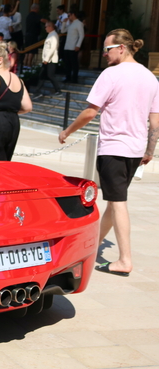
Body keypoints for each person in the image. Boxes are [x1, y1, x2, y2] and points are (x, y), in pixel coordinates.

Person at [58, 29, 159, 276]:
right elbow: (155, 122)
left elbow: (91, 112)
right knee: (115, 202)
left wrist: (67, 131)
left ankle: (125, 259)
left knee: (117, 202)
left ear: (121, 48)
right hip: (134, 149)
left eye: (108, 49)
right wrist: (149, 149)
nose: (104, 54)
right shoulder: (150, 77)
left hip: (114, 147)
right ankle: (94, 242)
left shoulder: (111, 74)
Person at [32, 21, 62, 98]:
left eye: (46, 27)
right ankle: (37, 91)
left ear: (50, 27)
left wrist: (47, 59)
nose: (45, 28)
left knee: (50, 75)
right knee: (42, 75)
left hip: (50, 60)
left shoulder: (54, 35)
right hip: (46, 60)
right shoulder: (50, 35)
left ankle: (58, 90)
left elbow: (52, 48)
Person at [63, 9, 84, 83]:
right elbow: (63, 31)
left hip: (73, 46)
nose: (68, 17)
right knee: (67, 63)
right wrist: (64, 22)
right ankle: (67, 77)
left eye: (69, 15)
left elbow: (81, 35)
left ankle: (74, 78)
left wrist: (78, 45)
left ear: (73, 14)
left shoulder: (79, 23)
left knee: (74, 63)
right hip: (67, 46)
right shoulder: (70, 23)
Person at [24, 3, 42, 67]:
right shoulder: (35, 15)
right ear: (36, 9)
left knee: (27, 50)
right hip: (33, 35)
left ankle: (25, 63)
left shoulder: (28, 15)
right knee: (32, 50)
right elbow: (42, 20)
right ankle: (29, 64)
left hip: (27, 35)